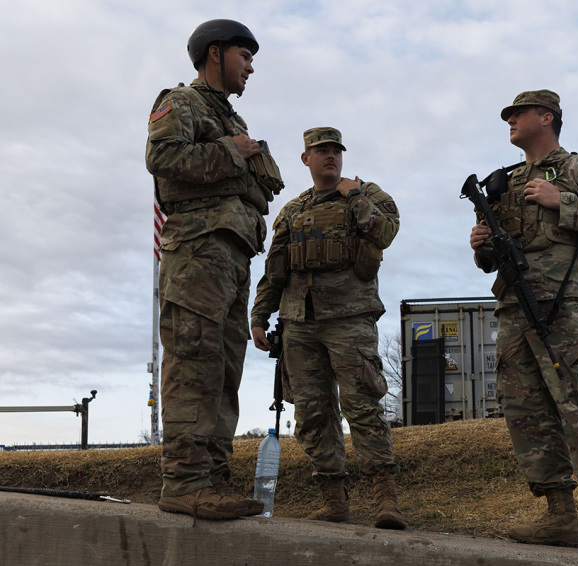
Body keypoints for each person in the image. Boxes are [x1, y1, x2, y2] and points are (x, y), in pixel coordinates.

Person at [468, 90, 578, 557]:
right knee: (527, 415)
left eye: (517, 114)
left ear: (547, 118)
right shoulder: (504, 181)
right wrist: (480, 243)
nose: (510, 121)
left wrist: (561, 199)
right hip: (514, 310)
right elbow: (492, 256)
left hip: (562, 306)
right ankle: (560, 517)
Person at [146, 19, 284, 520]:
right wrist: (233, 152)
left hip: (233, 257)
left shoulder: (233, 120)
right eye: (244, 56)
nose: (250, 67)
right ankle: (184, 482)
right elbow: (161, 156)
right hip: (198, 254)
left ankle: (213, 478)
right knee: (194, 364)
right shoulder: (181, 102)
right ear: (214, 53)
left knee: (224, 369)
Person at [251, 127, 405, 530]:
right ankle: (334, 499)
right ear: (306, 159)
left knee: (363, 408)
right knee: (312, 414)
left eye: (335, 150)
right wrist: (258, 315)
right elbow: (275, 269)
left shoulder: (368, 194)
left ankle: (385, 499)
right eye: (321, 151)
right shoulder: (292, 210)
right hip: (299, 323)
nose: (330, 157)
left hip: (350, 319)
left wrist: (354, 197)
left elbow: (385, 232)